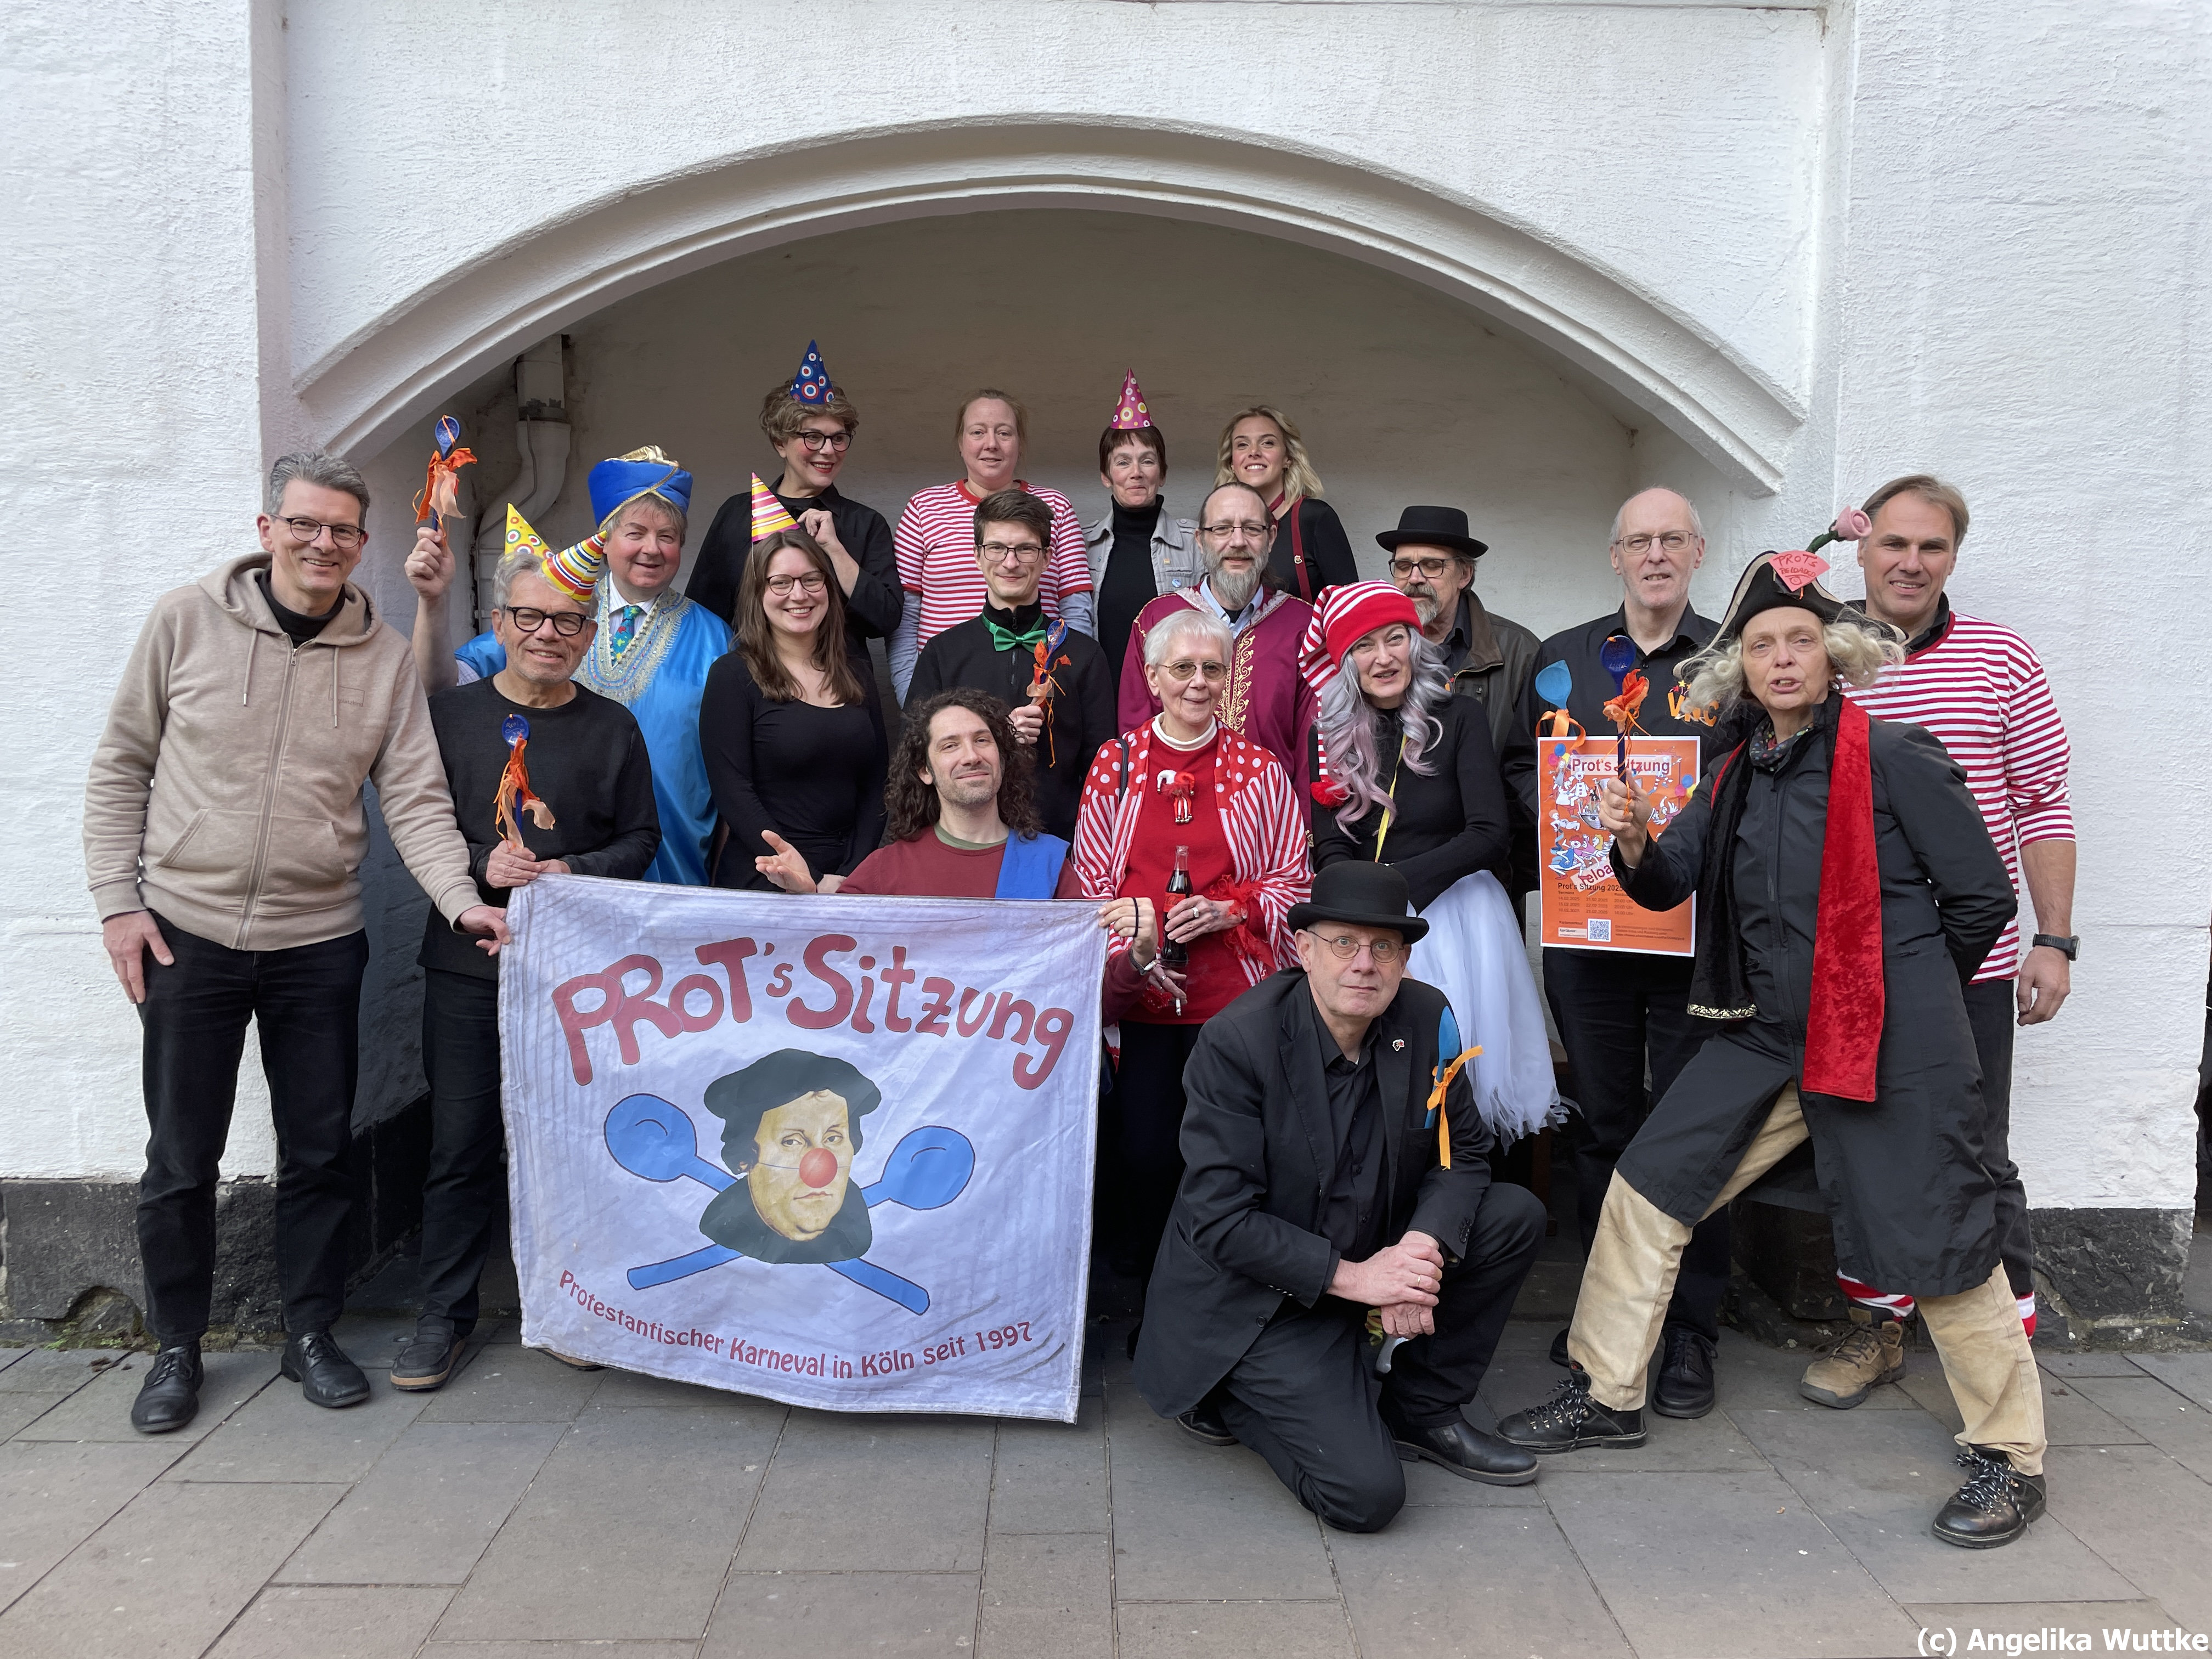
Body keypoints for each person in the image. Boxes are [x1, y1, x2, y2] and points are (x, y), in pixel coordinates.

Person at [1497, 552, 2048, 1551]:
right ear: (1740, 667)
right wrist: (1632, 840)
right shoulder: (1733, 772)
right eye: (1761, 645)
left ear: (1833, 656)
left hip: (1886, 1036)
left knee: (1942, 1233)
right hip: (1764, 1034)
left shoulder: (1896, 753)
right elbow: (1666, 883)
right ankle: (1608, 1393)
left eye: (1799, 640)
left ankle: (2010, 1456)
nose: (1781, 658)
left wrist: (1904, 993)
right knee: (1646, 1187)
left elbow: (1981, 899)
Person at [84, 452, 509, 1434]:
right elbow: (121, 766)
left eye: (343, 530)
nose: (324, 543)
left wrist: (461, 902)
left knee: (319, 1151)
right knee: (180, 1156)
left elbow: (416, 801)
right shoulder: (184, 620)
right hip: (186, 933)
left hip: (318, 940)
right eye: (306, 524)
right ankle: (177, 1346)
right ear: (268, 527)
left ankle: (310, 1331)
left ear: (362, 544)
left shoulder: (383, 657)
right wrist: (118, 903)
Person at [1133, 860, 1550, 1530]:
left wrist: (1419, 1253)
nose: (1364, 964)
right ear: (1304, 950)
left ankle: (1421, 1408)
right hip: (1263, 1299)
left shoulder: (1427, 1017)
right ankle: (1225, 1392)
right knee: (1365, 1497)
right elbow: (1220, 1220)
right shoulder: (1240, 1042)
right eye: (1344, 943)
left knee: (1512, 1216)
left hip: (1372, 1243)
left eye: (1384, 947)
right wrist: (1359, 1280)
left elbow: (1464, 1154)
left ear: (1405, 959)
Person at [1797, 474, 2075, 1407]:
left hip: (1972, 964)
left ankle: (2001, 1355)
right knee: (1859, 1149)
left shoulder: (2001, 658)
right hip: (1847, 965)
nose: (1910, 563)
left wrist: (2055, 940)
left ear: (1953, 556)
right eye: (1894, 543)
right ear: (1862, 549)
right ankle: (1875, 1331)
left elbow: (2042, 804)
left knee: (1974, 1151)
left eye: (1932, 546)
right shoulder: (1822, 655)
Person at [397, 523, 660, 1391]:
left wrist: (572, 870)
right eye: (531, 617)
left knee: (575, 1141)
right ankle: (444, 1314)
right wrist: (482, 863)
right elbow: (420, 823)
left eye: (569, 621)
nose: (549, 634)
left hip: (578, 976)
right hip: (468, 965)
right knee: (460, 1140)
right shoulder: (449, 719)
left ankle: (576, 1305)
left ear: (590, 635)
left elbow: (642, 839)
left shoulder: (613, 728)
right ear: (500, 624)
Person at [1501, 487, 1733, 1418]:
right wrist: (1563, 809)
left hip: (1691, 938)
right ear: (1615, 556)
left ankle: (1691, 1330)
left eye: (1672, 539)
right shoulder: (1562, 658)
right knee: (1602, 1126)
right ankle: (1608, 1320)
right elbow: (1522, 765)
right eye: (1639, 540)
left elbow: (1748, 779)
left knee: (1693, 1133)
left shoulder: (1729, 658)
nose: (1655, 554)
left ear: (1698, 551)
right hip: (1588, 936)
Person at [1074, 608, 1311, 1277]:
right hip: (1143, 999)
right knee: (1147, 1154)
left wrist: (1229, 910)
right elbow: (1090, 888)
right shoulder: (1116, 765)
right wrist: (1137, 943)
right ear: (1153, 678)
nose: (1198, 682)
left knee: (1229, 1154)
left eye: (1212, 668)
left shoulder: (1260, 770)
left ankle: (1222, 1286)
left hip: (1235, 1005)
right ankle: (1156, 1289)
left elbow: (1295, 882)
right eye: (1182, 668)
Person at [1305, 583, 1554, 1144]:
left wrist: (1394, 893)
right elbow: (1331, 846)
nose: (1384, 657)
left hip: (1456, 918)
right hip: (1367, 923)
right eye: (1365, 645)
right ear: (1346, 661)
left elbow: (1489, 834)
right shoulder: (1328, 734)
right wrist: (1361, 913)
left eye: (1395, 638)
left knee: (1456, 1076)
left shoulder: (1460, 716)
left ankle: (1468, 1187)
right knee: (1373, 1082)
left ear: (1416, 644)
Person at [416, 447, 730, 885]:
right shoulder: (552, 613)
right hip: (560, 859)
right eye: (635, 533)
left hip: (676, 857)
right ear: (605, 538)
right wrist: (432, 602)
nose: (652, 549)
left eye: (668, 536)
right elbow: (440, 685)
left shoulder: (717, 638)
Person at [772, 686, 1166, 1019]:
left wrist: (1140, 956)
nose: (971, 756)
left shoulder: (1049, 868)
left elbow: (1092, 1007)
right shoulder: (885, 872)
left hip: (1019, 1081)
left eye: (982, 740)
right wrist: (806, 902)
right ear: (925, 770)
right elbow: (833, 981)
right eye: (950, 746)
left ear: (1002, 757)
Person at [908, 489, 1115, 840]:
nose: (1010, 562)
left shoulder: (1085, 655)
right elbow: (916, 757)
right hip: (964, 842)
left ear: (1047, 558)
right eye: (996, 548)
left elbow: (1102, 771)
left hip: (1060, 843)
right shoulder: (942, 653)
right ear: (977, 556)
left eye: (1026, 549)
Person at [686, 341, 903, 663]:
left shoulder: (865, 523)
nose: (828, 450)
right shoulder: (737, 513)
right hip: (750, 680)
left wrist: (836, 551)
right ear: (780, 443)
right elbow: (703, 615)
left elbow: (885, 620)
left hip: (839, 682)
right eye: (812, 437)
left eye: (838, 438)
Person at [701, 525, 888, 891]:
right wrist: (807, 876)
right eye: (781, 583)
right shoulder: (733, 676)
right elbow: (733, 791)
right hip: (766, 873)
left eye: (811, 580)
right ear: (758, 593)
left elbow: (877, 782)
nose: (799, 595)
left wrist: (850, 874)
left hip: (849, 880)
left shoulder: (857, 673)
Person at [891, 389, 1092, 700]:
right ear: (961, 443)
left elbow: (1075, 608)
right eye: (978, 432)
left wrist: (1069, 681)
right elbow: (905, 618)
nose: (991, 444)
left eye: (1004, 433)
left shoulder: (1056, 506)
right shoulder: (924, 507)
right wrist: (914, 697)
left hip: (1039, 686)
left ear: (1020, 444)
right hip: (946, 688)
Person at [1120, 481, 1316, 784]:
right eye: (1222, 529)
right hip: (1176, 802)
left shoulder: (1303, 625)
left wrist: (1300, 814)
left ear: (1271, 538)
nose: (1237, 542)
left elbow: (1311, 746)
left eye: (1252, 529)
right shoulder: (1156, 619)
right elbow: (1134, 731)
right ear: (1200, 540)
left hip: (1269, 806)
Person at [1379, 505, 1539, 760]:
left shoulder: (1519, 651)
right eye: (1403, 566)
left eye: (1432, 565)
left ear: (1464, 575)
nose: (1415, 578)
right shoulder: (1374, 648)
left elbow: (1534, 760)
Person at [1083, 371, 1202, 670]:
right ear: (1106, 476)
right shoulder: (1083, 546)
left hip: (1174, 693)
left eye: (1147, 461)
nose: (1136, 472)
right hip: (1102, 692)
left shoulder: (1196, 543)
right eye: (1123, 462)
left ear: (1162, 474)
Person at [1216, 405, 1357, 602]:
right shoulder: (1217, 527)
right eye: (1242, 445)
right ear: (1232, 462)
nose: (1254, 452)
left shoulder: (1314, 518)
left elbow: (1350, 606)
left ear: (1288, 458)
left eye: (1267, 443)